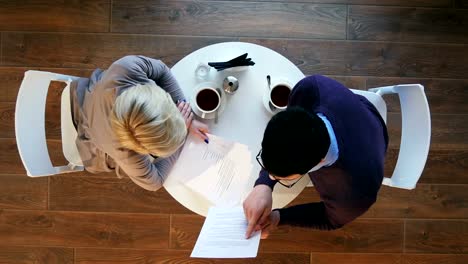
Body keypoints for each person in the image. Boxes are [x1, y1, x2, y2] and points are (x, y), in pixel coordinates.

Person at [243, 75, 388, 238]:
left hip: (373, 139)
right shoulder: (309, 88)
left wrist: (279, 218)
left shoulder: (354, 195)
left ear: (319, 162)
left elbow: (330, 220)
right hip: (356, 110)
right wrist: (264, 184)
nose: (271, 176)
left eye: (284, 178)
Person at [70, 55, 208, 191]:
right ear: (142, 149)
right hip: (90, 131)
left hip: (90, 97)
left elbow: (162, 70)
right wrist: (182, 136)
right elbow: (155, 182)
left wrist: (186, 117)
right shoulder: (127, 155)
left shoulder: (127, 68)